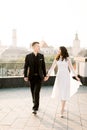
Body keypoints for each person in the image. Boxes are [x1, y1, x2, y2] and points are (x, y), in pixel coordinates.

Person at [46, 46, 80, 118]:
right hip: (59, 77)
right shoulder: (57, 58)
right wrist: (48, 75)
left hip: (66, 77)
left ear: (62, 51)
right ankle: (63, 107)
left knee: (64, 92)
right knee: (60, 91)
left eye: (59, 50)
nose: (58, 51)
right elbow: (52, 67)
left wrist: (76, 76)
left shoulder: (67, 59)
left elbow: (71, 68)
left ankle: (62, 109)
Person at [24, 42, 47, 115]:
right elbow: (26, 67)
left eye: (39, 46)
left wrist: (45, 75)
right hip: (31, 77)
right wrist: (25, 76)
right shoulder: (28, 56)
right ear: (33, 47)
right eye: (37, 46)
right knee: (32, 92)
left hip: (39, 77)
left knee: (36, 92)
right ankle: (35, 102)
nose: (39, 47)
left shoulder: (41, 56)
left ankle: (35, 108)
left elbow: (43, 67)